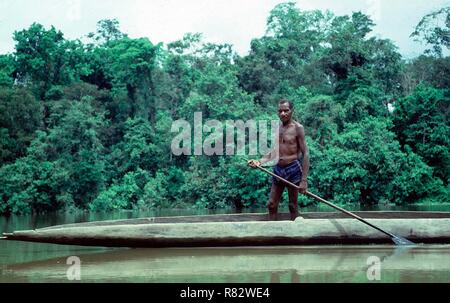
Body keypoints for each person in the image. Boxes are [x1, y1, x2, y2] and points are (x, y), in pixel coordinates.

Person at [248, 99, 310, 220]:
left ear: (292, 111)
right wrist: (259, 162)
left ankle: (297, 234)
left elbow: (306, 153)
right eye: (280, 111)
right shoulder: (277, 128)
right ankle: (273, 234)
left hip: (293, 168)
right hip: (278, 169)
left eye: (286, 111)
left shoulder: (298, 128)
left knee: (292, 205)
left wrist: (304, 180)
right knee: (271, 204)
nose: (282, 114)